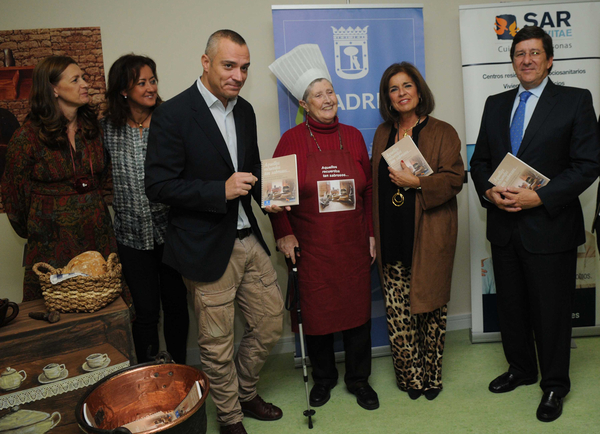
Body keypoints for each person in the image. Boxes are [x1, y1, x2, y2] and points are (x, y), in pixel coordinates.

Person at [145, 30, 284, 434]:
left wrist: (266, 198)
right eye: (229, 66)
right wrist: (217, 191)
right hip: (204, 246)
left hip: (248, 238)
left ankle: (242, 390)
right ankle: (229, 417)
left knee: (271, 322)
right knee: (216, 344)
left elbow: (250, 172)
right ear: (205, 63)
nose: (238, 75)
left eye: (244, 68)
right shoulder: (172, 114)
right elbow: (157, 186)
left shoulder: (245, 111)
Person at [470, 26, 599, 422]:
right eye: (519, 53)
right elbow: (480, 163)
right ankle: (522, 369)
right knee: (511, 307)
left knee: (552, 311)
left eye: (534, 53)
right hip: (504, 228)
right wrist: (488, 192)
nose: (526, 60)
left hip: (550, 227)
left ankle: (555, 384)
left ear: (549, 59)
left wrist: (539, 196)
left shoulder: (575, 101)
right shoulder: (495, 103)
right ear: (512, 61)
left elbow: (588, 164)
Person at [269, 44, 379, 411]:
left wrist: (371, 234)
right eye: (318, 95)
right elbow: (275, 197)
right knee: (317, 317)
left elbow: (369, 190)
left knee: (357, 316)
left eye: (330, 91)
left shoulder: (353, 135)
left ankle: (359, 380)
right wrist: (284, 231)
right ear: (304, 104)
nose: (328, 99)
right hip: (312, 247)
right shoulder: (290, 140)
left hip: (351, 244)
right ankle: (324, 378)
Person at [371, 62, 463, 401]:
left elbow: (454, 179)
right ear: (388, 98)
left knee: (430, 309)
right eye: (393, 89)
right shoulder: (383, 133)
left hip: (429, 236)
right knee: (398, 313)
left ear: (419, 90)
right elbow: (375, 185)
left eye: (407, 86)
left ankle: (432, 376)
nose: (401, 93)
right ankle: (410, 378)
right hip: (392, 235)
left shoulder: (442, 131)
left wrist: (418, 183)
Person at [1, 56, 116, 302]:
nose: (85, 84)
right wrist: (40, 226)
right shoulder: (27, 138)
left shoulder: (93, 130)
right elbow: (13, 198)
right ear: (53, 89)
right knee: (58, 317)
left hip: (98, 238)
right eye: (75, 79)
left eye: (83, 77)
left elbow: (103, 175)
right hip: (51, 243)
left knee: (105, 309)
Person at [102, 54, 189, 364]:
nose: (151, 87)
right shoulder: (107, 129)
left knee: (177, 306)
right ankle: (147, 374)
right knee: (146, 311)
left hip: (171, 232)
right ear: (124, 89)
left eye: (153, 80)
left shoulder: (170, 121)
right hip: (131, 237)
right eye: (142, 82)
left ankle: (180, 369)